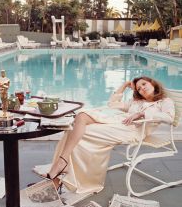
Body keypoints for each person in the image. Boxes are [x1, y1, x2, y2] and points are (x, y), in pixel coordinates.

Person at [38, 76, 175, 194]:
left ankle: (61, 169)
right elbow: (112, 104)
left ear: (153, 83)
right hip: (118, 123)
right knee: (80, 119)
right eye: (138, 88)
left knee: (78, 132)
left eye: (144, 84)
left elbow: (169, 118)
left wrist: (142, 113)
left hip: (133, 131)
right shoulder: (136, 102)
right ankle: (63, 163)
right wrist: (125, 84)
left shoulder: (164, 102)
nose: (142, 88)